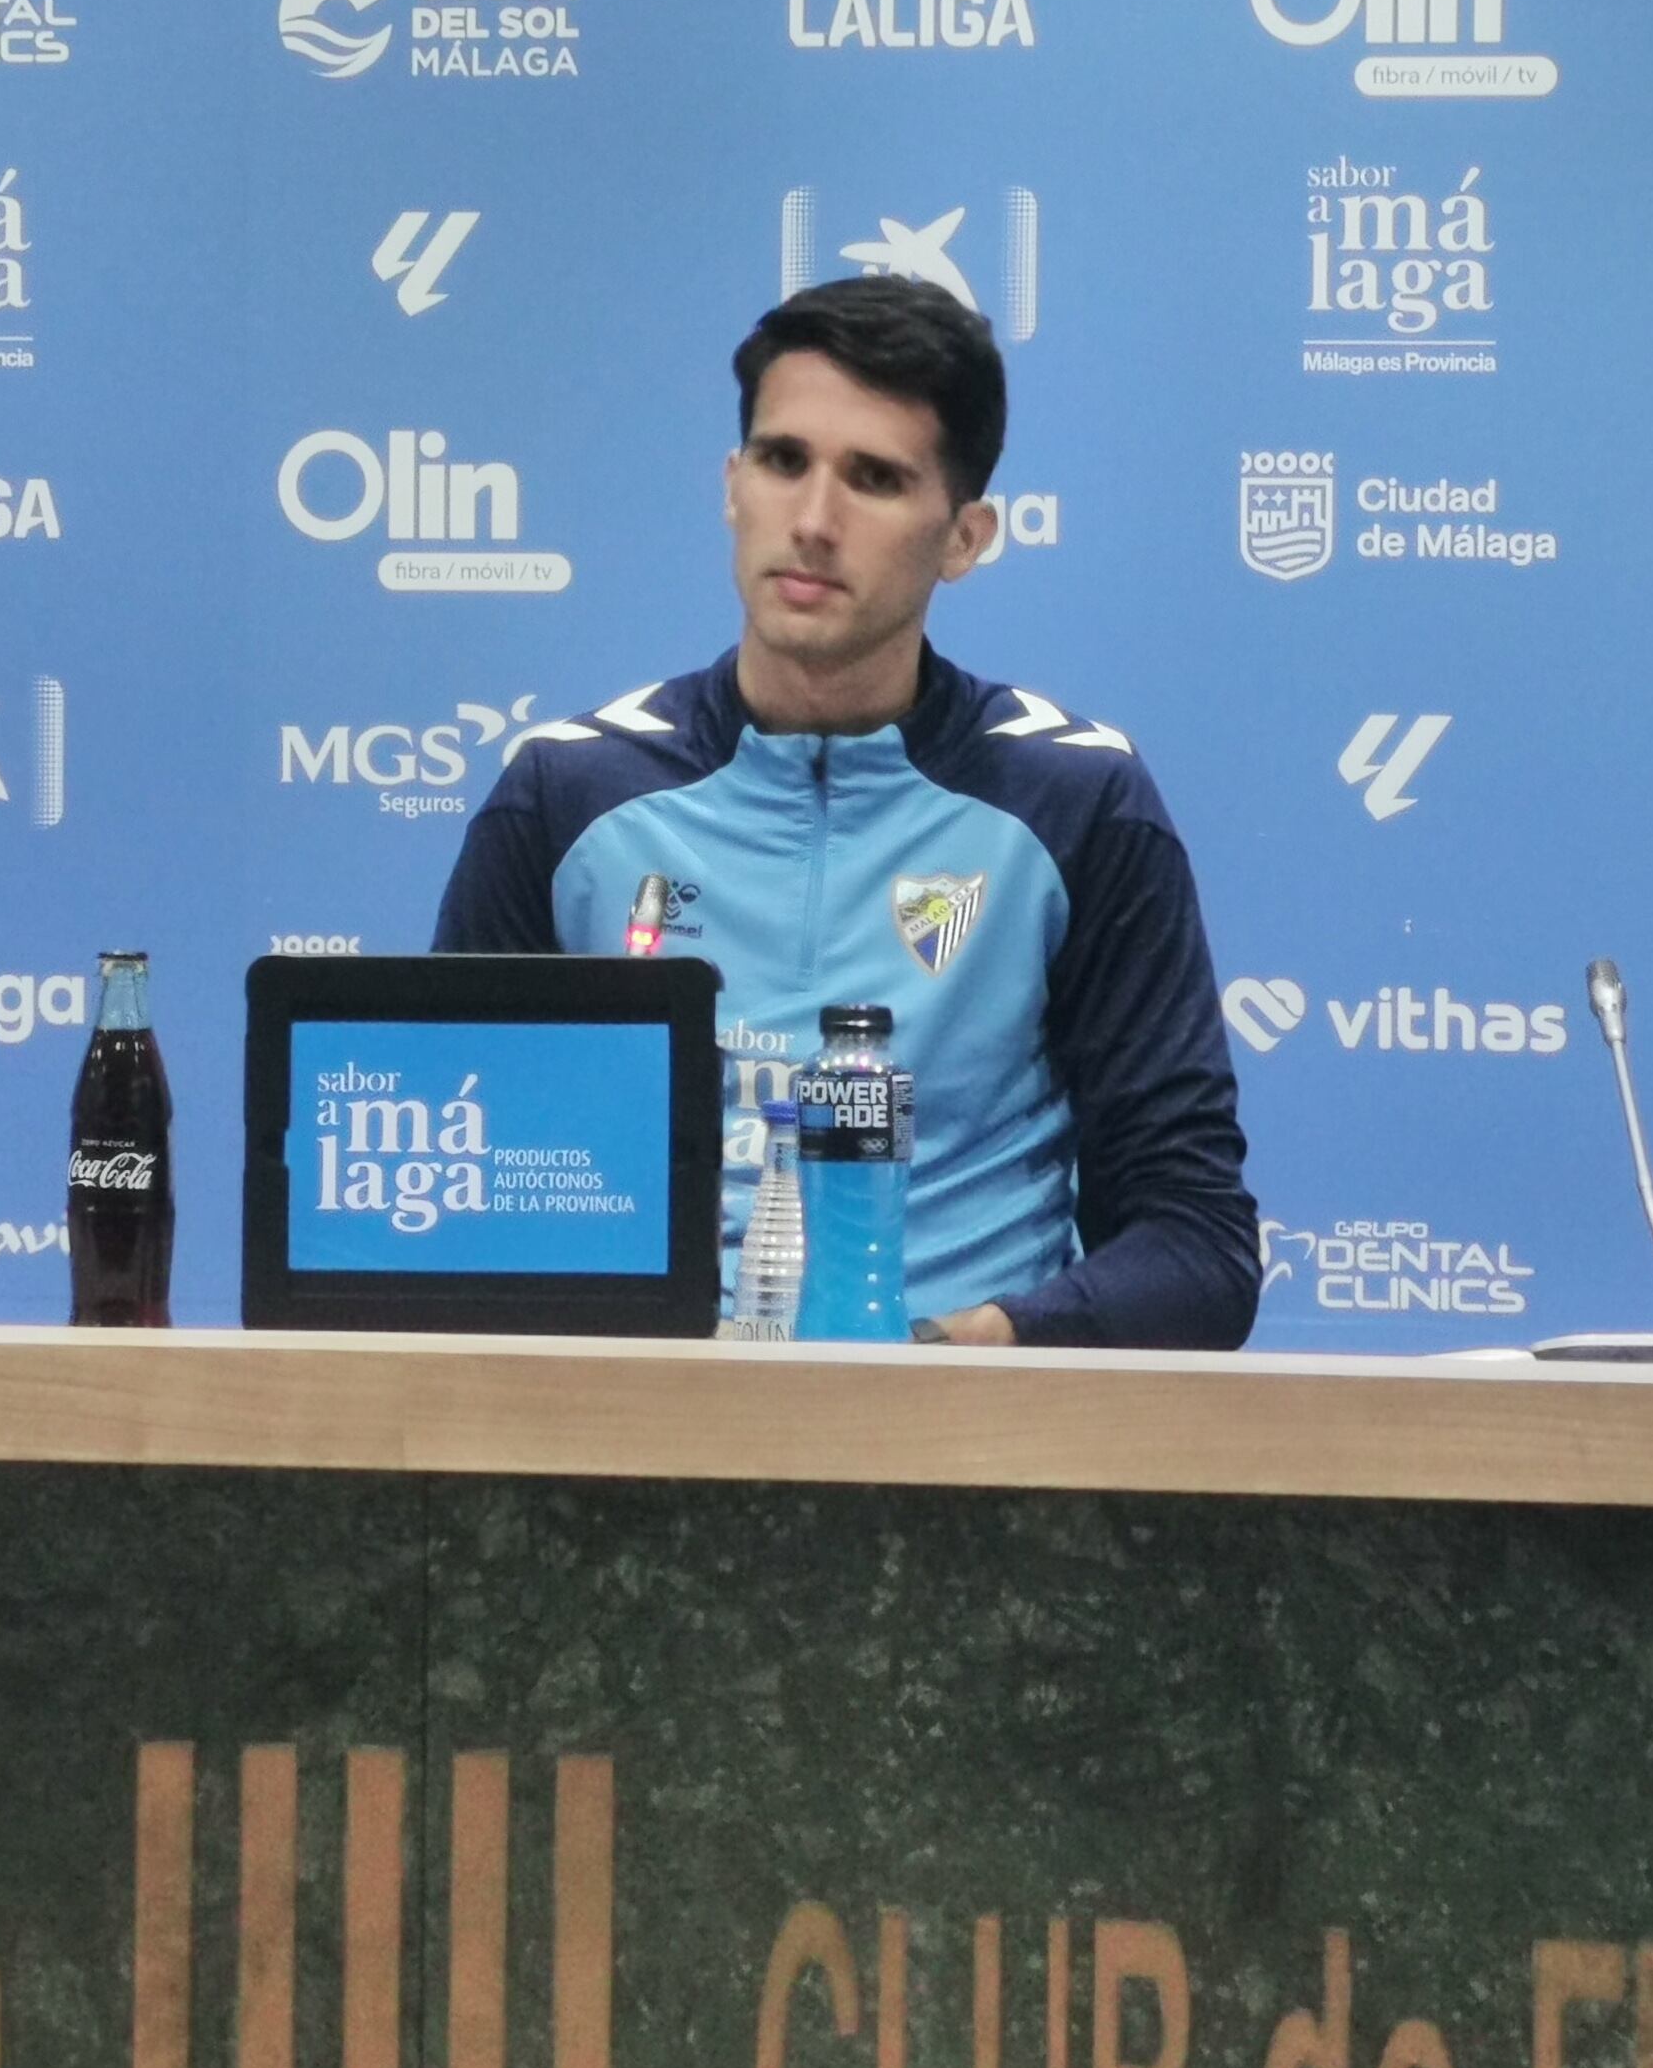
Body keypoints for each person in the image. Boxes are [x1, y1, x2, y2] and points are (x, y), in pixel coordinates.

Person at [432, 275, 1259, 1350]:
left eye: (875, 479)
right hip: (633, 1416)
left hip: (963, 1420)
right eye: (783, 462)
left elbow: (1196, 1247)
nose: (814, 522)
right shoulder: (566, 794)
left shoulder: (1076, 801)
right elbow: (454, 1204)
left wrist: (955, 1353)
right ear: (732, 486)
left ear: (964, 537)